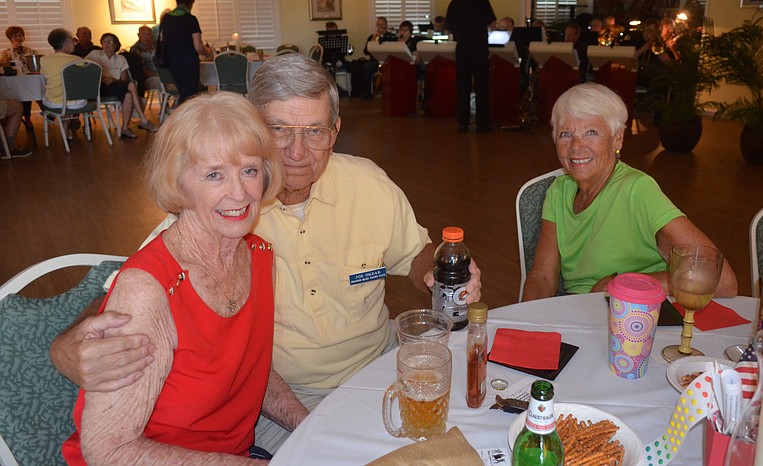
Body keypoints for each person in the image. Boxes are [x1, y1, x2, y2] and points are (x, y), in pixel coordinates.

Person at [50, 53, 483, 453]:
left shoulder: (366, 184)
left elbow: (418, 254)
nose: (298, 152)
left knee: (466, 439)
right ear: (253, 130)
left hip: (380, 369)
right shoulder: (226, 211)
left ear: (335, 131)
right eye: (279, 130)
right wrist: (67, 347)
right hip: (283, 400)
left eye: (314, 131)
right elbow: (135, 289)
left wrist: (438, 272)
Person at [61, 92, 307, 464]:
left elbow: (249, 372)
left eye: (250, 170)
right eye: (214, 174)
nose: (239, 192)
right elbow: (109, 450)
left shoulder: (258, 256)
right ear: (179, 184)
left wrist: (309, 426)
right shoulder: (148, 289)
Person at [522, 83, 737, 300]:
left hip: (639, 317)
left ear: (617, 139)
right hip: (583, 314)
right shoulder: (558, 192)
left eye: (591, 132)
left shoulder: (636, 189)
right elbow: (542, 278)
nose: (576, 146)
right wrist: (528, 323)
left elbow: (722, 281)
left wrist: (625, 284)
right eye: (565, 134)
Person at [445, 0, 496, 133]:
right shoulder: (482, 0)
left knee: (463, 86)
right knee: (482, 86)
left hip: (462, 48)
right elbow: (492, 22)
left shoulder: (454, 3)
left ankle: (463, 123)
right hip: (479, 48)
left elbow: (448, 27)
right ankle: (482, 124)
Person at [86, 33, 158, 139]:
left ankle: (124, 128)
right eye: (104, 41)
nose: (107, 44)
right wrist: (102, 77)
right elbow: (84, 67)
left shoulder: (121, 59)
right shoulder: (95, 54)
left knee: (128, 95)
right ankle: (143, 119)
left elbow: (123, 80)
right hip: (99, 87)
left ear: (116, 45)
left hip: (115, 85)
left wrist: (113, 79)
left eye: (110, 42)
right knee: (131, 85)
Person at [159, 0, 211, 104]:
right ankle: (183, 119)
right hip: (189, 63)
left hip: (172, 62)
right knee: (190, 95)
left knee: (183, 93)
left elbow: (162, 39)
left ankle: (180, 116)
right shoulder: (191, 19)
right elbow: (198, 46)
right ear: (190, 2)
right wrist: (207, 52)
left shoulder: (166, 19)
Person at [41, 28, 85, 136]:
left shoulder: (44, 60)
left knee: (60, 92)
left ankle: (66, 127)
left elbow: (44, 78)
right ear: (65, 45)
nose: (74, 44)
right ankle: (67, 125)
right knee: (68, 93)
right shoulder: (78, 60)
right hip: (77, 102)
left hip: (54, 102)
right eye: (72, 42)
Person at [1, 26, 36, 129]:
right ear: (10, 39)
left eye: (20, 35)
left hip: (26, 80)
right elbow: (3, 65)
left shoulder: (29, 51)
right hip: (12, 81)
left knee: (27, 94)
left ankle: (28, 117)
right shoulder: (6, 52)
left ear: (23, 37)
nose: (17, 38)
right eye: (14, 36)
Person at [130, 24, 161, 92]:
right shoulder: (135, 49)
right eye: (144, 34)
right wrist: (156, 74)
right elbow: (137, 69)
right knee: (159, 82)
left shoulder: (157, 46)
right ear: (139, 35)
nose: (146, 37)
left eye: (148, 34)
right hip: (147, 77)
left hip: (161, 73)